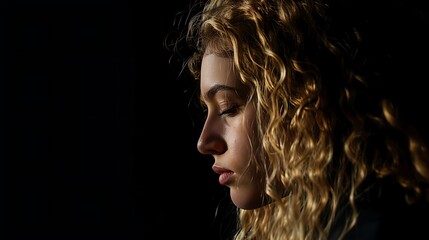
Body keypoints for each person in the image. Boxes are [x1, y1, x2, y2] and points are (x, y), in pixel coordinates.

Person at [166, 0, 429, 239]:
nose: (204, 142)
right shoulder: (316, 221)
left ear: (306, 101)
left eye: (228, 108)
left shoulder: (372, 227)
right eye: (208, 110)